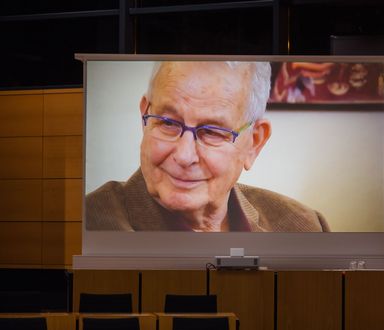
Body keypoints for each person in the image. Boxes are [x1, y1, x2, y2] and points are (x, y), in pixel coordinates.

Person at [86, 61, 330, 232]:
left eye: (212, 132)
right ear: (144, 117)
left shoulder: (306, 225)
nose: (184, 155)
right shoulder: (90, 222)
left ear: (254, 143)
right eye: (168, 123)